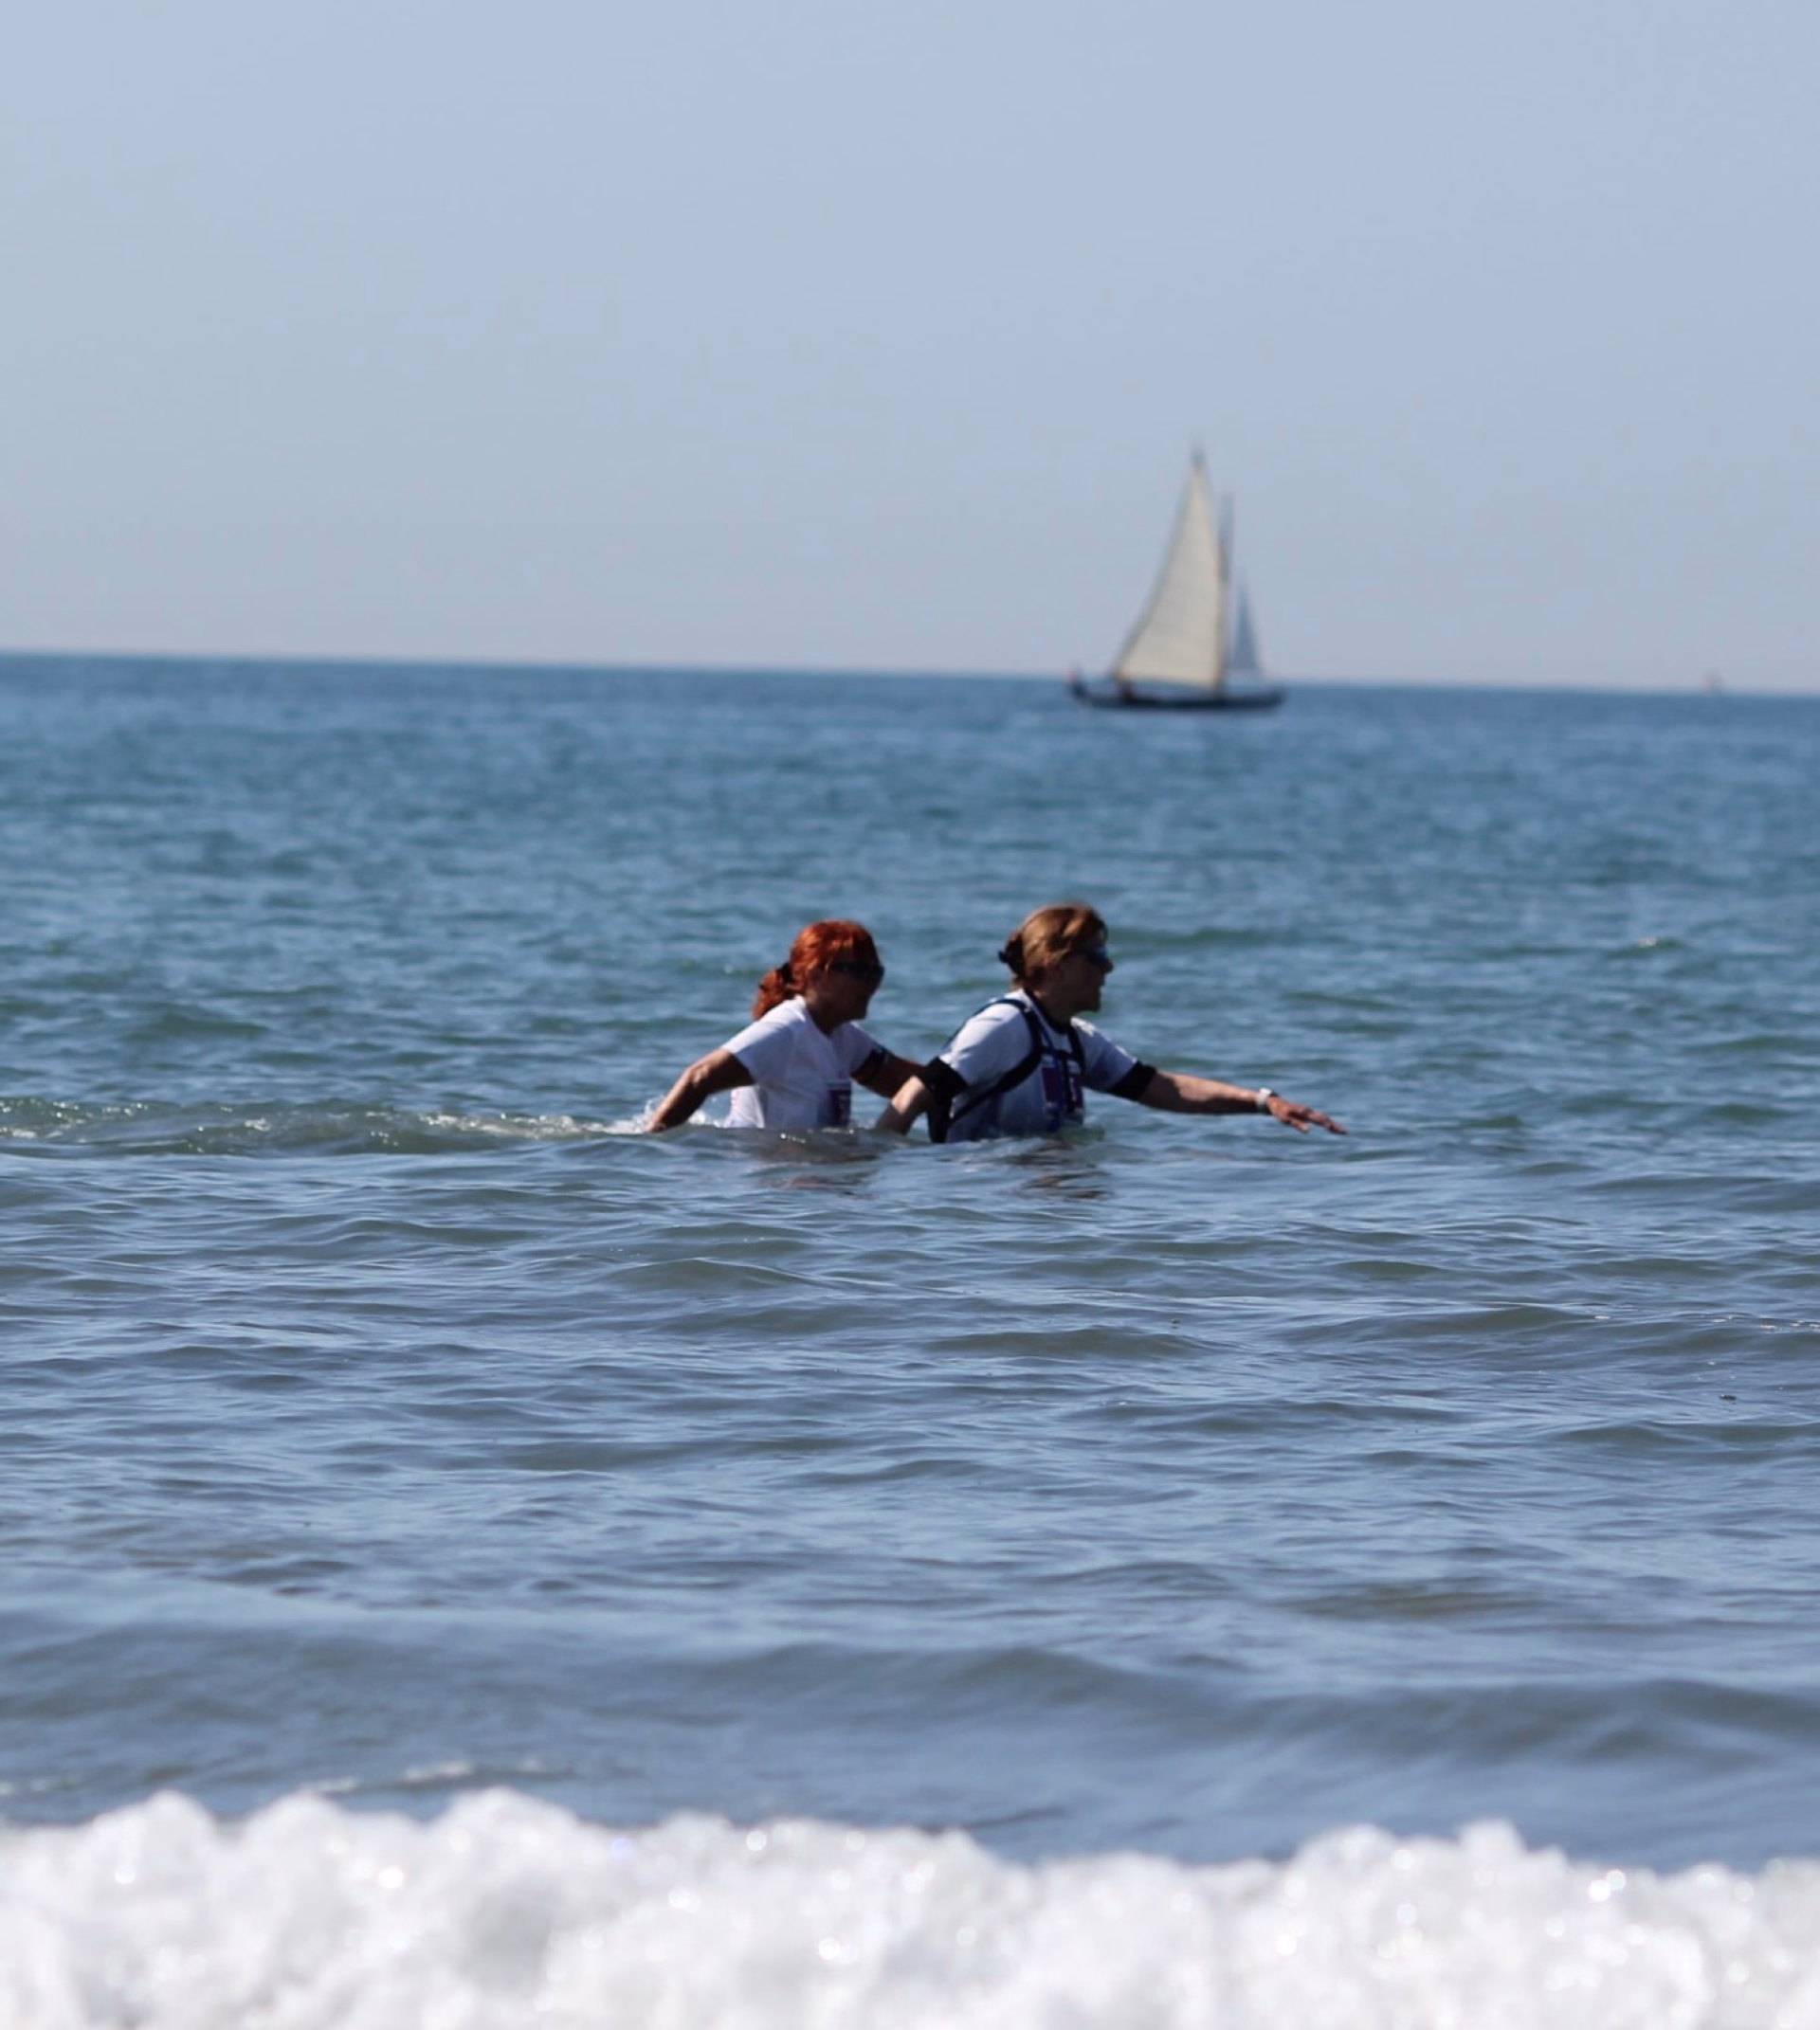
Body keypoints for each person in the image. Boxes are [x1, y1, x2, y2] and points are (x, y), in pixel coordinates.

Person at [876, 902, 1344, 1143]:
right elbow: (921, 1089)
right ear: (1057, 965)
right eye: (1097, 957)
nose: (1110, 969)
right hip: (984, 1210)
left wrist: (1264, 1102)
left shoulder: (1076, 1039)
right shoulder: (1003, 1024)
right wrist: (879, 1155)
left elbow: (1162, 1088)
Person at [646, 920, 921, 1133]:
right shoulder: (786, 1031)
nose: (870, 984)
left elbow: (909, 1083)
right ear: (816, 975)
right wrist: (656, 1146)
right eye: (860, 973)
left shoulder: (844, 1037)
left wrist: (960, 1074)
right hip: (764, 1186)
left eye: (876, 973)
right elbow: (699, 1077)